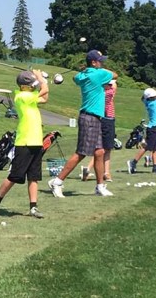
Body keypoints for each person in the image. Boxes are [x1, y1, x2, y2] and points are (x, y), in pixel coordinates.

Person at [48, 49, 117, 198]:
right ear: (93, 62)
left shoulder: (83, 75)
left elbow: (75, 77)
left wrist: (87, 69)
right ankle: (57, 182)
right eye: (100, 61)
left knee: (99, 152)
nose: (102, 63)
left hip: (93, 118)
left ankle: (99, 186)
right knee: (81, 153)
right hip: (90, 118)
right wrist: (96, 69)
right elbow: (115, 75)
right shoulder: (99, 74)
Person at [0, 69, 49, 219]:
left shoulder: (30, 96)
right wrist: (41, 78)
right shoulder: (21, 96)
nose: (34, 87)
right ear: (23, 86)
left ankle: (33, 208)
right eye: (32, 85)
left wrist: (40, 79)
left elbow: (45, 97)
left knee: (34, 176)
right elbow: (44, 89)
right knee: (15, 176)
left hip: (36, 141)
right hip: (24, 142)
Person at [80, 78, 117, 183]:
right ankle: (105, 172)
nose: (111, 86)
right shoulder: (109, 93)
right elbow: (115, 86)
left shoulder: (99, 93)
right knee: (107, 149)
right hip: (108, 120)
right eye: (109, 84)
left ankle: (91, 170)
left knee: (100, 148)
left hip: (101, 119)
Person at [128, 88, 156, 175]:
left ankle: (155, 167)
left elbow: (142, 98)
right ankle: (133, 162)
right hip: (153, 128)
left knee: (155, 148)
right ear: (152, 97)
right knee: (147, 147)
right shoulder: (154, 103)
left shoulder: (147, 102)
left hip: (154, 127)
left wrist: (150, 95)